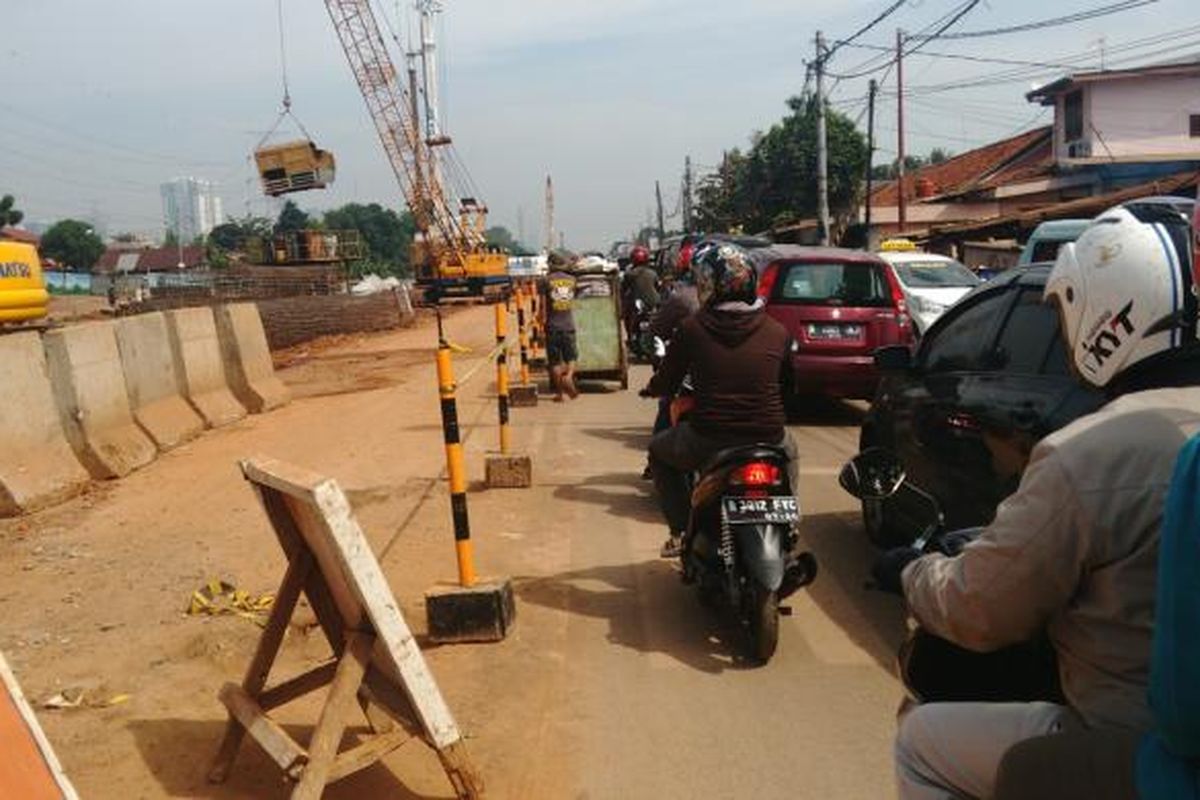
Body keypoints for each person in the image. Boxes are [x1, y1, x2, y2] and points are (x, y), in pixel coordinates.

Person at [874, 202, 1200, 800]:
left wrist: (912, 573)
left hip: (1135, 742)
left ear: (1103, 309)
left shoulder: (1088, 452)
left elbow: (980, 609)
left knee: (921, 743)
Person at [642, 241, 797, 558]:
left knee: (658, 452)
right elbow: (789, 386)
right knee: (790, 452)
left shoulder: (692, 329)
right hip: (768, 437)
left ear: (707, 283)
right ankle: (790, 522)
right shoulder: (777, 330)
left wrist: (653, 388)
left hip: (708, 437)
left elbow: (669, 380)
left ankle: (682, 529)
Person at [542, 252, 580, 402]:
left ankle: (560, 394)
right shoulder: (572, 280)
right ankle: (569, 376)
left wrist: (541, 323)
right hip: (568, 325)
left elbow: (542, 306)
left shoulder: (546, 281)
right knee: (572, 357)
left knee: (555, 362)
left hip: (552, 326)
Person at [622, 245, 660, 344]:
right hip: (653, 304)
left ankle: (631, 338)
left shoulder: (629, 274)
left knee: (627, 316)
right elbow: (658, 288)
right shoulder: (653, 273)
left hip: (637, 305)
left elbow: (623, 289)